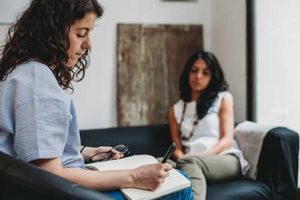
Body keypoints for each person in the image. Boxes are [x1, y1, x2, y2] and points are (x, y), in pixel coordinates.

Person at [0, 0, 192, 199]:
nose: (88, 44)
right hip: (66, 193)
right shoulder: (38, 83)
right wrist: (134, 176)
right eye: (81, 34)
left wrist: (87, 152)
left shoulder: (21, 72)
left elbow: (31, 148)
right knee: (181, 182)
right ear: (51, 31)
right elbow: (49, 175)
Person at [169, 50, 249, 200]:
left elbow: (226, 140)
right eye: (194, 71)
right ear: (188, 73)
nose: (198, 76)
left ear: (212, 77)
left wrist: (196, 157)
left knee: (188, 163)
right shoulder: (176, 109)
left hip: (224, 158)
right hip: (190, 161)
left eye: (205, 73)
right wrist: (184, 158)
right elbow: (177, 147)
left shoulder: (223, 98)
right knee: (161, 163)